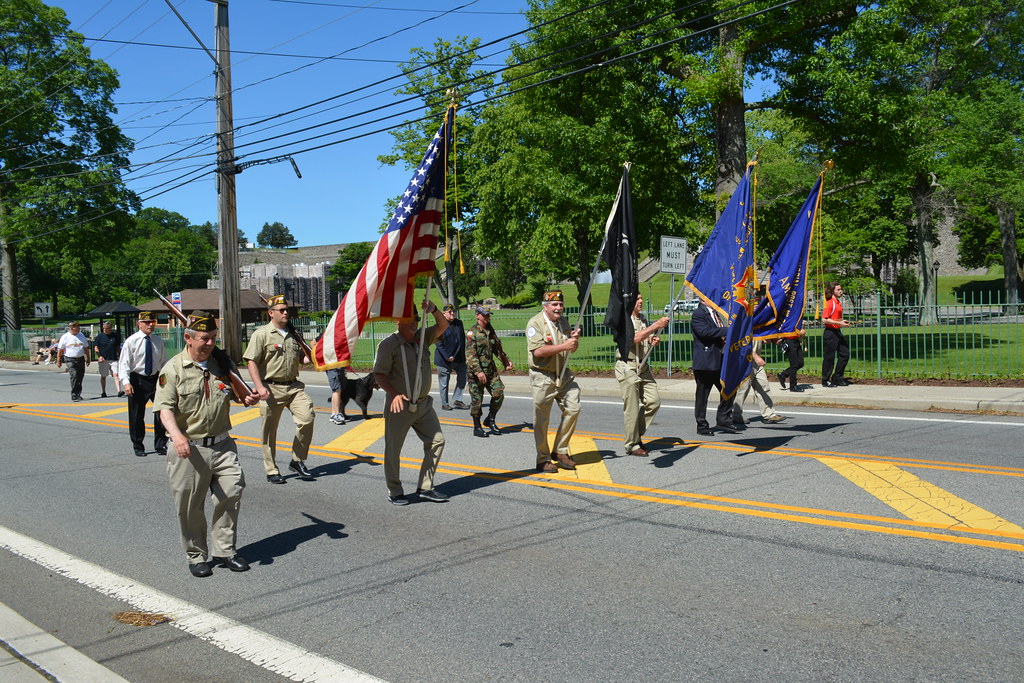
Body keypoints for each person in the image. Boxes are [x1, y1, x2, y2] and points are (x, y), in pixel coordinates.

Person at [154, 311, 260, 578]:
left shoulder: (221, 365)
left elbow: (235, 394)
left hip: (223, 445)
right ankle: (196, 555)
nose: (211, 343)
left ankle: (225, 551)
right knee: (190, 506)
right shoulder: (173, 370)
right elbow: (164, 409)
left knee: (232, 492)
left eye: (213, 338)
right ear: (188, 338)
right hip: (190, 449)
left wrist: (247, 398)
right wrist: (177, 437)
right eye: (205, 338)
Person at [373, 300, 449, 505]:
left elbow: (443, 326)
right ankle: (395, 491)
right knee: (393, 449)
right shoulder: (389, 345)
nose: (414, 322)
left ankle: (425, 487)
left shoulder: (423, 338)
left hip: (424, 405)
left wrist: (433, 310)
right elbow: (379, 374)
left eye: (416, 318)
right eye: (409, 319)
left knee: (437, 441)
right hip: (400, 406)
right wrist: (394, 394)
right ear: (398, 321)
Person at [243, 295, 317, 484]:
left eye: (287, 310)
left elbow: (303, 360)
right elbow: (251, 361)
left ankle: (297, 460)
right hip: (270, 387)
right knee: (269, 431)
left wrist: (315, 353)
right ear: (271, 313)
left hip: (293, 387)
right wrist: (259, 387)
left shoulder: (294, 335)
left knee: (307, 418)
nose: (286, 313)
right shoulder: (262, 334)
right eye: (282, 310)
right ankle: (271, 469)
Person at [526, 290, 582, 472]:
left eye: (560, 304)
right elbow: (538, 352)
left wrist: (574, 342)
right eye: (554, 305)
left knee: (574, 407)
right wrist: (564, 346)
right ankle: (542, 458)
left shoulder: (563, 322)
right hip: (543, 376)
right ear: (545, 306)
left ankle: (560, 450)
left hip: (564, 374)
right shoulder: (535, 323)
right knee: (541, 420)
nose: (559, 308)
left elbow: (570, 348)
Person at [614, 295, 670, 456]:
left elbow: (644, 337)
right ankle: (632, 445)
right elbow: (634, 338)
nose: (640, 301)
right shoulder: (622, 320)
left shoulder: (642, 318)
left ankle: (635, 435)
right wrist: (656, 326)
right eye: (637, 299)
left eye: (641, 298)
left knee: (653, 401)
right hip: (628, 366)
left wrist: (653, 339)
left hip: (643, 366)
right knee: (631, 408)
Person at [119, 311, 168, 457]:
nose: (150, 325)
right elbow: (124, 363)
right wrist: (126, 383)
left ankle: (160, 444)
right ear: (138, 324)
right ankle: (138, 445)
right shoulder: (131, 341)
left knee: (162, 412)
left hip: (156, 379)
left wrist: (166, 381)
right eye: (147, 322)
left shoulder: (158, 341)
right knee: (136, 415)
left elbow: (164, 362)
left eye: (152, 322)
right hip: (137, 379)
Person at [691, 296, 737, 436]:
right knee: (703, 395)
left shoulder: (716, 313)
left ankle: (723, 420)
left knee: (728, 389)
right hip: (705, 361)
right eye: (710, 297)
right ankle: (702, 425)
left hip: (720, 359)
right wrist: (727, 331)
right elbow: (704, 332)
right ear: (703, 299)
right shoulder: (699, 313)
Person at [465, 305, 513, 437]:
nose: (487, 317)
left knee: (499, 393)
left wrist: (506, 361)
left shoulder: (490, 331)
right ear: (477, 315)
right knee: (477, 400)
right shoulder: (472, 332)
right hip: (475, 373)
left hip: (490, 371)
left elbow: (497, 348)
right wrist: (478, 371)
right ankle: (477, 426)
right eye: (484, 315)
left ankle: (490, 420)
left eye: (488, 315)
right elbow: (470, 355)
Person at [732, 338, 787, 425]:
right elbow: (742, 344)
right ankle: (735, 415)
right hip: (745, 361)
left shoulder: (756, 326)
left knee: (764, 387)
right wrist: (756, 357)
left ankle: (769, 415)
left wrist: (765, 339)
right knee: (743, 389)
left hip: (756, 363)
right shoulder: (745, 326)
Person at [434, 303, 468, 410]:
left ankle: (458, 400)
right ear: (444, 314)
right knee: (444, 382)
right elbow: (438, 343)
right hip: (444, 359)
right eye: (450, 312)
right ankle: (445, 404)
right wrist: (447, 356)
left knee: (463, 376)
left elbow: (461, 340)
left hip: (459, 358)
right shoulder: (440, 325)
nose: (452, 313)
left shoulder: (459, 323)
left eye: (453, 311)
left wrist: (464, 355)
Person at [821, 281, 852, 387]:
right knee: (829, 357)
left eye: (841, 289)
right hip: (830, 333)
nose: (841, 291)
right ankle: (825, 380)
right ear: (832, 291)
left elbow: (835, 318)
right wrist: (839, 323)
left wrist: (842, 322)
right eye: (838, 289)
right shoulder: (830, 303)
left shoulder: (838, 302)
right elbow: (824, 319)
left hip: (837, 331)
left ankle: (837, 377)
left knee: (845, 353)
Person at [56, 322, 91, 402]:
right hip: (70, 359)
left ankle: (78, 393)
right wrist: (58, 360)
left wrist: (88, 358)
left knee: (80, 376)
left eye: (79, 327)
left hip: (80, 358)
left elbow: (86, 347)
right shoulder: (65, 337)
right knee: (74, 375)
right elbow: (60, 349)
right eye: (77, 327)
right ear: (71, 328)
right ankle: (74, 395)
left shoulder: (81, 335)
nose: (79, 328)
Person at [93, 321, 123, 398]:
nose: (105, 330)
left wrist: (121, 355)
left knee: (116, 374)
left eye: (107, 328)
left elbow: (117, 347)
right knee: (104, 376)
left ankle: (119, 391)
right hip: (103, 359)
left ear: (110, 328)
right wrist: (99, 356)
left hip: (113, 358)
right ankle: (103, 392)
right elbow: (96, 347)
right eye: (104, 328)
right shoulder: (100, 337)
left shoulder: (115, 336)